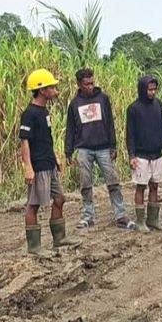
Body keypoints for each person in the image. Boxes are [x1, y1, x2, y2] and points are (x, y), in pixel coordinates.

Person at [20, 68, 77, 258]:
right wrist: (28, 167)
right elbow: (24, 141)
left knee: (60, 198)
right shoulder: (29, 114)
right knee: (34, 205)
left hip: (49, 163)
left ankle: (59, 238)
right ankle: (34, 247)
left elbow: (47, 138)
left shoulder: (44, 111)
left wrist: (55, 158)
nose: (55, 90)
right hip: (38, 165)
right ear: (42, 90)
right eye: (52, 87)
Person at [65, 68, 128, 230]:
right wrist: (68, 151)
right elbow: (70, 129)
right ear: (79, 84)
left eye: (92, 83)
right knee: (85, 184)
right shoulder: (74, 103)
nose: (90, 86)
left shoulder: (103, 99)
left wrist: (113, 145)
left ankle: (120, 214)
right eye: (86, 84)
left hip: (103, 147)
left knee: (113, 181)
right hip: (84, 148)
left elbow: (110, 124)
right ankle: (88, 216)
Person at [125, 75, 162, 232]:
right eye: (149, 89)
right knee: (141, 187)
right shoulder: (133, 108)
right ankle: (140, 221)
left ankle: (153, 219)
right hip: (141, 155)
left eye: (154, 89)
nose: (152, 92)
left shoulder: (158, 104)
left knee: (155, 186)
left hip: (157, 153)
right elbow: (130, 134)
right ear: (142, 89)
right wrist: (132, 155)